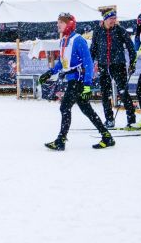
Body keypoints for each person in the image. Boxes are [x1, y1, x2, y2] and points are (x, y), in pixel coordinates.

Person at [40, 13, 115, 150]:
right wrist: (50, 72)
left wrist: (87, 85)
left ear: (69, 24)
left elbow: (88, 63)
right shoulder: (63, 40)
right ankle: (107, 136)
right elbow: (62, 63)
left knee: (64, 107)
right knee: (87, 110)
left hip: (78, 81)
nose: (58, 25)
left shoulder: (78, 40)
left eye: (61, 23)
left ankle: (61, 140)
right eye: (58, 22)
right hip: (72, 80)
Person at [89, 8, 136, 128]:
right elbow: (93, 49)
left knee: (123, 92)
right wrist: (89, 65)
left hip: (118, 64)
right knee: (105, 93)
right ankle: (109, 119)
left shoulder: (120, 30)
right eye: (111, 19)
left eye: (115, 18)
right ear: (104, 19)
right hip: (103, 65)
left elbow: (131, 47)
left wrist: (132, 63)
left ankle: (131, 120)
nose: (113, 21)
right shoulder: (98, 31)